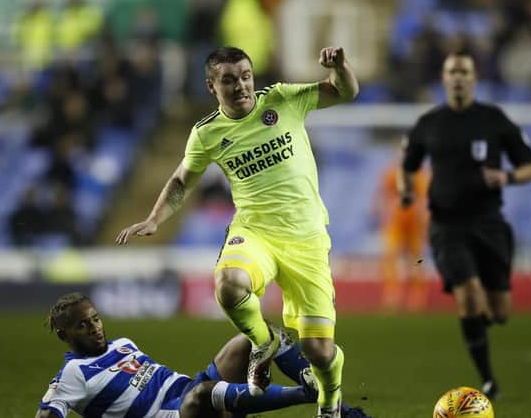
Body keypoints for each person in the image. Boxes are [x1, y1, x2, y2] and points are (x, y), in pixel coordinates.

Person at [116, 46, 359, 418]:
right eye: (229, 80)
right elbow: (183, 180)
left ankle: (329, 403)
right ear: (212, 86)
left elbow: (344, 92)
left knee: (320, 353)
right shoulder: (207, 133)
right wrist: (154, 219)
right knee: (228, 284)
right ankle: (264, 342)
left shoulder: (282, 99)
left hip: (306, 239)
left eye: (245, 75)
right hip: (255, 232)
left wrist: (340, 67)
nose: (241, 85)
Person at [399, 51, 531, 400]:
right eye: (452, 72)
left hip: (489, 224)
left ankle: (478, 321)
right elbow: (408, 163)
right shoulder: (429, 123)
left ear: (474, 77)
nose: (458, 77)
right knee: (468, 295)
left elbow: (529, 166)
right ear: (444, 79)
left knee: (500, 312)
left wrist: (505, 176)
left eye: (464, 71)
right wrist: (405, 192)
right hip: (446, 227)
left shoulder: (494, 120)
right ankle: (488, 379)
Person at [35, 292, 371, 418]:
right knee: (203, 395)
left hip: (189, 394)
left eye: (95, 319)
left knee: (254, 336)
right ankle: (310, 393)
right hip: (184, 410)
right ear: (65, 335)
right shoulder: (74, 373)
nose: (94, 327)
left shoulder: (123, 343)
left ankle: (336, 407)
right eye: (83, 326)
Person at [375, 138, 430, 311]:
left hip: (414, 220)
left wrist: (425, 220)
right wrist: (382, 215)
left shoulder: (420, 174)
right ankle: (392, 295)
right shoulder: (391, 173)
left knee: (416, 258)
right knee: (390, 257)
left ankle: (416, 296)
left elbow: (424, 200)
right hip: (395, 220)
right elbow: (382, 197)